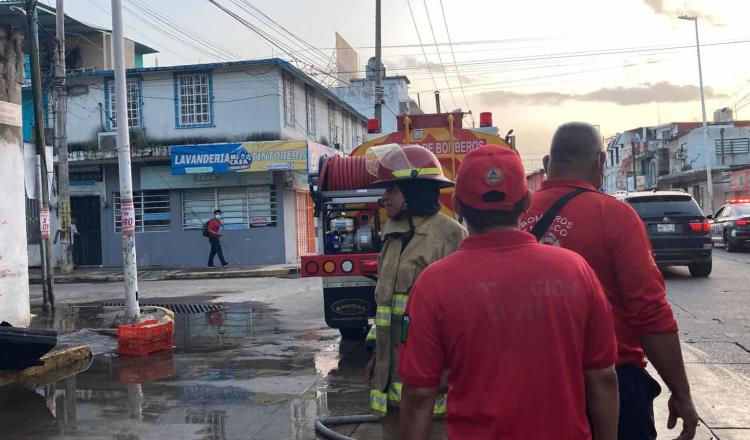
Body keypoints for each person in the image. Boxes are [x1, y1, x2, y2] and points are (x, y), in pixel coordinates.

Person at [399, 145, 619, 440]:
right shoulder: (576, 271)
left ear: (458, 205)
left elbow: (418, 395)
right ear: (527, 201)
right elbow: (603, 377)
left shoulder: (433, 285)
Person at [522, 122, 699, 440]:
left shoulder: (515, 217)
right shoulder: (616, 216)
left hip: (529, 385)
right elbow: (649, 312)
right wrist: (681, 393)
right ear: (601, 163)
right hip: (613, 384)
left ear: (548, 164)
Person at [363, 144, 467, 440]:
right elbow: (384, 308)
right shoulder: (392, 237)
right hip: (392, 385)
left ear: (414, 192)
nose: (384, 198)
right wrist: (374, 356)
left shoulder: (449, 235)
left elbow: (460, 314)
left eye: (392, 190)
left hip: (435, 393)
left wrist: (450, 369)